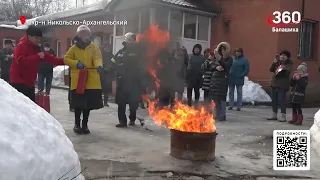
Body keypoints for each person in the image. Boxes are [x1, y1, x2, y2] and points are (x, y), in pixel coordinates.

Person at [64, 25, 104, 134]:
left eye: (87, 35)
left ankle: (85, 125)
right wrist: (77, 63)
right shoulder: (73, 48)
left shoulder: (94, 47)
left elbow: (97, 58)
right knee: (78, 105)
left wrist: (99, 65)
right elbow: (66, 59)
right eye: (83, 35)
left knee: (88, 105)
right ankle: (77, 124)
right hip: (79, 81)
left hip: (91, 81)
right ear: (79, 36)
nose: (85, 37)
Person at [10, 25, 64, 102]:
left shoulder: (37, 48)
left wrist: (66, 61)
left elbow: (51, 59)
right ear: (29, 36)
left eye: (39, 38)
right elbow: (21, 61)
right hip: (19, 83)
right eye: (36, 38)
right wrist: (37, 57)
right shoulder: (20, 46)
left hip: (30, 84)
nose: (38, 40)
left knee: (30, 109)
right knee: (20, 109)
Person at [111, 32, 145, 128]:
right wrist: (108, 69)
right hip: (122, 81)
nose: (130, 42)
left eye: (132, 40)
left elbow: (141, 66)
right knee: (121, 102)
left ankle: (132, 119)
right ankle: (122, 121)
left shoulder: (138, 52)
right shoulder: (121, 52)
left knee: (133, 102)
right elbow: (113, 61)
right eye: (129, 40)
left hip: (133, 82)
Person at [267, 50, 293, 122]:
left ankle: (283, 115)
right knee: (274, 100)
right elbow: (271, 69)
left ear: (287, 57)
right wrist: (274, 63)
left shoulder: (289, 64)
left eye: (284, 55)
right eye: (281, 55)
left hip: (282, 84)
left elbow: (286, 72)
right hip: (274, 83)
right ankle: (274, 114)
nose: (282, 57)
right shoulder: (277, 62)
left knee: (281, 100)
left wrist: (281, 67)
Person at [209, 42, 233, 121]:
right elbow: (211, 66)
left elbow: (226, 66)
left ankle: (222, 115)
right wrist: (216, 67)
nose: (222, 51)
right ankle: (216, 114)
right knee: (215, 99)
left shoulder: (230, 59)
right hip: (215, 81)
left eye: (224, 50)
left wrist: (220, 59)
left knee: (222, 99)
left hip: (223, 81)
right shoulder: (216, 58)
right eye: (221, 50)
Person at [100, 42, 114, 107]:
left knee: (106, 89)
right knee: (100, 88)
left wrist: (110, 68)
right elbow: (98, 62)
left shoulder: (111, 56)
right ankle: (99, 101)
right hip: (101, 73)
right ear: (104, 48)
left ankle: (105, 102)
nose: (107, 49)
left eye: (108, 47)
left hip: (108, 74)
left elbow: (114, 63)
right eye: (106, 47)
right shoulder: (101, 55)